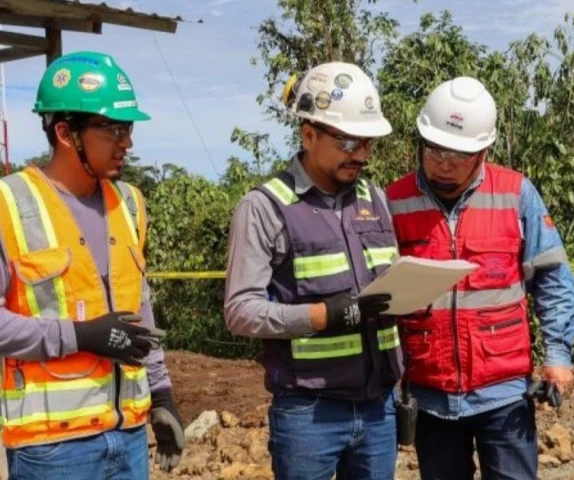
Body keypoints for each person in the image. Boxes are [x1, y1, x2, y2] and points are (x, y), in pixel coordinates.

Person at [385, 76, 574, 480]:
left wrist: (558, 355)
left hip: (504, 393)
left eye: (458, 154)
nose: (444, 163)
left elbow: (553, 278)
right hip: (430, 393)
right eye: (434, 149)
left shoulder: (516, 193)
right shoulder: (395, 201)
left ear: (483, 151)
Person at [0, 51, 184, 478]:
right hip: (52, 448)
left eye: (129, 128)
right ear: (66, 133)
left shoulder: (130, 204)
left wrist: (161, 394)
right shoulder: (9, 205)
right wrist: (80, 336)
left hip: (129, 437)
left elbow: (140, 307)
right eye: (113, 129)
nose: (127, 143)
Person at [224, 62, 403, 480]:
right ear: (309, 135)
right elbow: (240, 311)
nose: (361, 154)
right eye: (348, 142)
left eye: (367, 143)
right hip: (309, 413)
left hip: (379, 408)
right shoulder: (265, 207)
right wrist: (320, 316)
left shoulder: (376, 200)